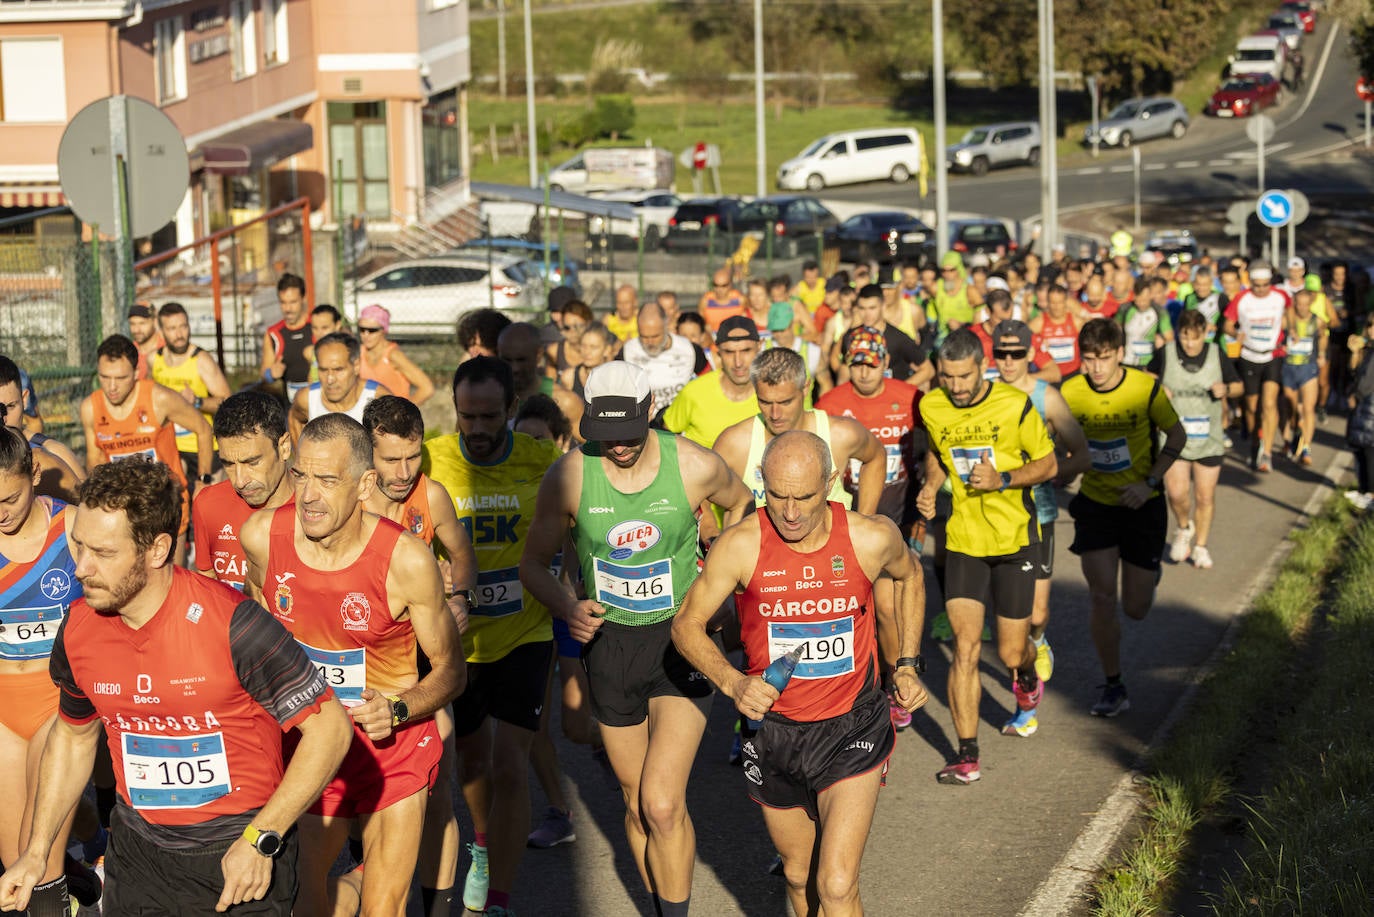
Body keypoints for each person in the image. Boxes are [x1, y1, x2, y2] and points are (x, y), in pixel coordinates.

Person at [0, 459, 351, 915]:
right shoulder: (77, 630)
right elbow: (74, 735)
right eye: (78, 546)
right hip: (138, 853)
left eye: (103, 553)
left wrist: (263, 838)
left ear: (157, 549)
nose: (81, 568)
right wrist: (37, 851)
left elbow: (331, 731)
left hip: (235, 851)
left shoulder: (235, 625)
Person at [519, 362, 752, 917]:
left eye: (628, 430)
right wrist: (568, 606)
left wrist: (717, 578)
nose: (618, 446)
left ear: (650, 408)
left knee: (663, 802)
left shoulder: (693, 465)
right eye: (605, 433)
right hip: (611, 647)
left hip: (680, 639)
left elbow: (744, 506)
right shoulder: (571, 476)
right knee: (636, 803)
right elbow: (533, 564)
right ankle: (661, 903)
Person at [672, 430, 927, 916]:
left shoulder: (869, 537)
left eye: (804, 497)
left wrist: (908, 663)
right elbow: (687, 625)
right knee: (797, 874)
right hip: (774, 734)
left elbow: (910, 574)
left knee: (835, 883)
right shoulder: (741, 544)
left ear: (831, 483)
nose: (789, 512)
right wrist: (733, 683)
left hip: (851, 725)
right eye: (776, 495)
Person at [242, 414, 466, 916]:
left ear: (365, 485)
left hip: (393, 747)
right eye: (301, 476)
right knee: (302, 896)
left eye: (328, 480)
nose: (309, 495)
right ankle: (357, 882)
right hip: (311, 744)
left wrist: (400, 709)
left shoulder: (406, 561)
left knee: (384, 907)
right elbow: (257, 633)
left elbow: (452, 671)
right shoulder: (261, 536)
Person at [421, 360, 559, 915]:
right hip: (459, 639)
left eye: (489, 416)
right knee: (473, 764)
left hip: (527, 630)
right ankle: (481, 846)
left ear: (511, 408)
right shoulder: (431, 457)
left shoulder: (541, 461)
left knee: (510, 764)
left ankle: (499, 897)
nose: (476, 428)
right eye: (466, 416)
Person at [916, 329, 1058, 783]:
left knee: (1013, 650)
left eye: (963, 376)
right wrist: (930, 485)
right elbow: (938, 451)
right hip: (963, 542)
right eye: (947, 377)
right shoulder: (932, 405)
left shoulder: (1014, 404)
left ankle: (1027, 678)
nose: (955, 386)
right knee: (966, 648)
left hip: (1016, 539)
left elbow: (1049, 463)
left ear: (983, 367)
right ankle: (967, 753)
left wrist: (1004, 478)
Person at [361, 395, 477, 917]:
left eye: (413, 457)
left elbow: (463, 554)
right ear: (368, 453)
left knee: (437, 792)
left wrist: (459, 598)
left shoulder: (432, 496)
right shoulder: (349, 500)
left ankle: (439, 908)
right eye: (391, 459)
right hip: (361, 667)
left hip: (424, 666)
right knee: (363, 799)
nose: (404, 471)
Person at [1061, 319, 1185, 716]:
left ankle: (1148, 576)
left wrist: (1149, 482)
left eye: (1105, 359)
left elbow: (1178, 437)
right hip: (1096, 504)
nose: (1096, 369)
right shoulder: (1069, 391)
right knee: (1101, 596)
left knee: (1136, 607)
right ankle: (1114, 685)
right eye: (1090, 359)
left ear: (1120, 354)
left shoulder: (1144, 388)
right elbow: (1052, 438)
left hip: (1141, 504)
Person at [816, 328, 926, 730]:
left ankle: (898, 682)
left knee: (886, 605)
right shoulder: (830, 404)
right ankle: (864, 681)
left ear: (885, 362)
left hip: (898, 512)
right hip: (847, 518)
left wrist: (924, 505)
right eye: (857, 363)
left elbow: (930, 449)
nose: (864, 372)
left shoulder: (910, 396)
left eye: (872, 362)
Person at [0, 429, 84, 916]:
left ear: (34, 473)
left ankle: (67, 884)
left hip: (60, 703)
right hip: (5, 711)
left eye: (9, 498)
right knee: (14, 865)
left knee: (43, 856)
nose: (1, 512)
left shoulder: (72, 527)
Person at [991, 321, 1090, 688]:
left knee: (1036, 613)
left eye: (1017, 353)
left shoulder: (1046, 396)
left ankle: (1038, 640)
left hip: (1039, 512)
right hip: (995, 517)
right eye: (1001, 353)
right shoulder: (984, 393)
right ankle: (1023, 686)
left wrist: (1050, 471)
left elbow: (1082, 455)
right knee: (1007, 615)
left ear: (1031, 354)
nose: (1009, 361)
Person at [80, 335, 214, 564]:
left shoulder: (159, 398)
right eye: (105, 377)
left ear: (135, 373)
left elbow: (203, 429)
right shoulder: (91, 408)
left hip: (167, 502)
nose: (112, 387)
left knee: (171, 581)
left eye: (120, 378)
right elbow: (95, 462)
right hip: (125, 509)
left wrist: (202, 480)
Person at [1147, 310, 1243, 570]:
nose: (1190, 344)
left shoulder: (1216, 354)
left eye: (1195, 338)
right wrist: (1158, 387)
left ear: (1205, 333)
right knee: (1177, 494)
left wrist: (1226, 389)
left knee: (1204, 496)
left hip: (1208, 438)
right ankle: (1183, 527)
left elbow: (1238, 385)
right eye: (1185, 337)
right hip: (1174, 437)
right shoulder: (1166, 353)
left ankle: (1200, 546)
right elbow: (1146, 375)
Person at [193, 391, 295, 591]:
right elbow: (208, 584)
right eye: (229, 464)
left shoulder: (317, 511)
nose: (240, 481)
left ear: (283, 447)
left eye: (252, 462)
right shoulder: (208, 504)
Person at [151, 301, 233, 483]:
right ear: (161, 331)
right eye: (172, 328)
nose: (179, 334)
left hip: (204, 446)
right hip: (172, 446)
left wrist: (197, 401)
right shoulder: (156, 360)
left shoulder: (201, 360)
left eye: (183, 326)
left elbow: (228, 403)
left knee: (208, 504)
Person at [1223, 260, 1291, 471]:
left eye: (1265, 285)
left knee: (1269, 404)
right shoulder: (1242, 299)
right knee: (1252, 407)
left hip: (1273, 355)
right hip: (1249, 355)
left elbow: (1290, 315)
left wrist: (1289, 334)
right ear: (1251, 282)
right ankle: (1255, 442)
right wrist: (1236, 334)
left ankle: (1267, 453)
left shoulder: (1280, 297)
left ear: (1270, 282)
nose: (1261, 289)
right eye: (1257, 285)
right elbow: (1227, 325)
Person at [662, 316, 762, 448]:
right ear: (718, 351)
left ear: (760, 346)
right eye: (729, 352)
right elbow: (664, 437)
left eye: (746, 351)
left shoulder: (776, 393)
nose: (738, 362)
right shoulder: (694, 392)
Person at [0, 356, 84, 502]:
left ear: (24, 399)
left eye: (11, 406)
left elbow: (90, 512)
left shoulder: (52, 455)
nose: (4, 419)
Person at [288, 332, 389, 443]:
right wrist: (301, 456)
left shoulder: (379, 401)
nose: (330, 379)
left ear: (356, 366)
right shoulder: (306, 398)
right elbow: (295, 419)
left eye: (338, 370)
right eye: (323, 370)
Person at [835, 284, 934, 388]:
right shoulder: (852, 336)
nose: (867, 314)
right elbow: (842, 367)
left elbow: (928, 370)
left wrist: (899, 390)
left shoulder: (898, 338)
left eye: (872, 308)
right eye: (862, 308)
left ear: (883, 306)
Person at [498, 322, 584, 437]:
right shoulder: (486, 398)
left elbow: (594, 450)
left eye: (521, 360)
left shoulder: (565, 402)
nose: (515, 368)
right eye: (507, 360)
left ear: (538, 355)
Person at [621, 301, 697, 418]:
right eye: (644, 336)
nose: (650, 342)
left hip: (681, 426)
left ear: (666, 324)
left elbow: (708, 383)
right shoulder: (627, 351)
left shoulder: (689, 349)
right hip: (644, 426)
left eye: (655, 336)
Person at [1280, 289, 1327, 466]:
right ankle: (1295, 425)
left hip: (1308, 368)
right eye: (1299, 304)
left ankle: (1306, 447)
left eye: (1306, 304)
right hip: (1289, 367)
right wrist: (1281, 345)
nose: (1302, 308)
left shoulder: (1317, 320)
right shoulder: (1286, 319)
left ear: (1310, 304)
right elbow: (1277, 334)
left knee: (1308, 408)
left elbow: (1323, 337)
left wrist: (1322, 353)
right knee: (1291, 404)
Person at [355, 305, 436, 405]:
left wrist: (401, 413)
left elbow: (427, 388)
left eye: (372, 330)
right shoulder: (358, 352)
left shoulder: (393, 355)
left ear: (384, 330)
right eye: (362, 329)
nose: (366, 334)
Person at [260, 273, 313, 403]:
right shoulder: (274, 334)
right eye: (283, 302)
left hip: (323, 405)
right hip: (291, 407)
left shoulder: (318, 326)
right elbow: (264, 373)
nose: (288, 309)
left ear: (303, 298)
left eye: (293, 302)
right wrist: (271, 374)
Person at [1343, 314, 1374, 509]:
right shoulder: (1367, 349)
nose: (1371, 329)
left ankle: (1371, 493)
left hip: (1369, 404)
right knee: (1360, 446)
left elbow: (1366, 382)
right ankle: (1364, 489)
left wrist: (1358, 394)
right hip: (1363, 405)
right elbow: (1354, 373)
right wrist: (1355, 353)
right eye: (1370, 325)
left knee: (1370, 449)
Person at [1030, 284, 1083, 378]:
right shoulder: (1039, 322)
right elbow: (1024, 340)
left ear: (1066, 302)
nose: (1056, 307)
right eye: (1053, 303)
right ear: (1048, 302)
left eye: (1059, 302)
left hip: (1073, 373)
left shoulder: (1076, 322)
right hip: (1049, 375)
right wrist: (1038, 344)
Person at [562, 321, 616, 398]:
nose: (587, 352)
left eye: (593, 347)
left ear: (607, 350)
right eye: (584, 346)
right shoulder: (569, 377)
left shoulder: (616, 379)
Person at [126, 302, 163, 381]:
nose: (137, 330)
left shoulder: (167, 349)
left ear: (155, 322)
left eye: (142, 323)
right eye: (132, 324)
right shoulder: (127, 353)